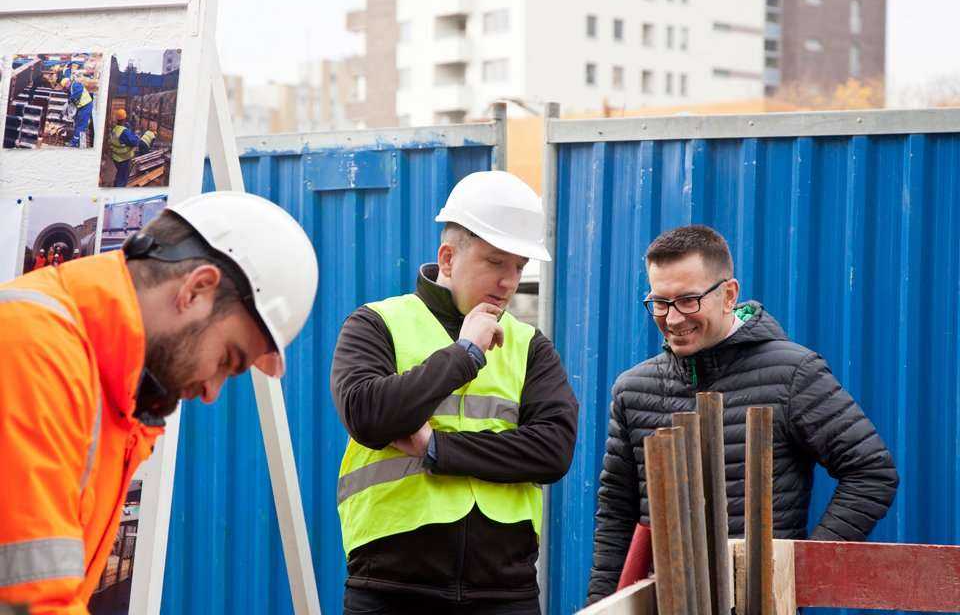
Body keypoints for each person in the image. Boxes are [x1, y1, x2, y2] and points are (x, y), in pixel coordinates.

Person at [0, 192, 318, 613]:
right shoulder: (32, 348)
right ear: (196, 289)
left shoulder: (106, 389)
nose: (211, 392)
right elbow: (31, 601)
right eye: (227, 359)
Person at [586, 224, 899, 603]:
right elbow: (617, 515)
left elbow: (871, 472)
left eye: (688, 300)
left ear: (728, 294)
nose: (672, 319)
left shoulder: (792, 373)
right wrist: (602, 607)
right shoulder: (633, 390)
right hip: (663, 604)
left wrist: (799, 570)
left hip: (758, 604)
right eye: (660, 302)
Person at [331, 171, 579, 615]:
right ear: (448, 258)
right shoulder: (375, 324)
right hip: (389, 590)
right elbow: (369, 416)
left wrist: (436, 448)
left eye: (519, 267)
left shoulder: (529, 345)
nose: (509, 281)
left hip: (506, 593)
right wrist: (463, 356)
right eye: (495, 262)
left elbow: (552, 451)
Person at [109, 109, 149, 187]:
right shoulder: (124, 132)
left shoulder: (115, 129)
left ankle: (116, 185)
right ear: (124, 118)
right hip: (123, 159)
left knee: (119, 174)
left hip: (116, 157)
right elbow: (134, 142)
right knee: (123, 177)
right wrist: (137, 136)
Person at [59, 77, 94, 148]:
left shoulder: (75, 85)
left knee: (81, 126)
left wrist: (71, 99)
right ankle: (76, 141)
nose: (65, 90)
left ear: (67, 84)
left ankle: (75, 144)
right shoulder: (71, 89)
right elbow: (70, 103)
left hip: (86, 106)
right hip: (81, 107)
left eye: (64, 87)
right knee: (77, 123)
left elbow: (78, 93)